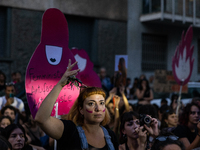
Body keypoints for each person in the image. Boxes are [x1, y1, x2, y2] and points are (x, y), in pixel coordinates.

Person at [35, 59, 119, 150]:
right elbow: (41, 119)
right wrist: (60, 84)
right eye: (91, 104)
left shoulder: (111, 136)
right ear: (81, 109)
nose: (98, 108)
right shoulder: (70, 131)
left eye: (101, 103)